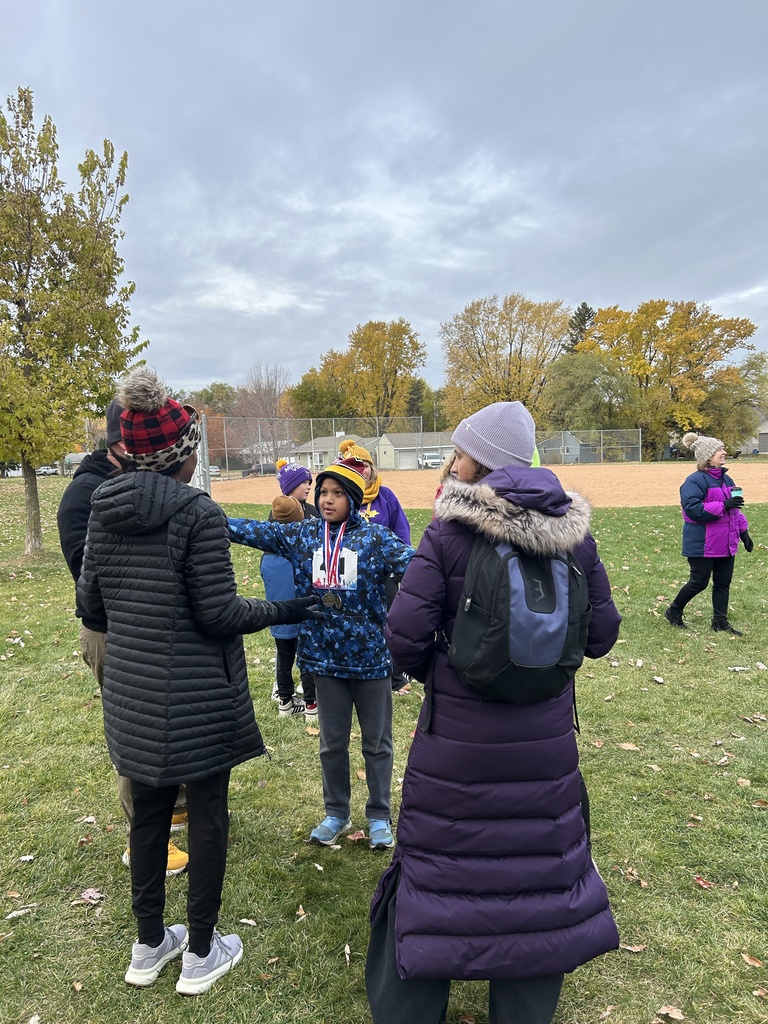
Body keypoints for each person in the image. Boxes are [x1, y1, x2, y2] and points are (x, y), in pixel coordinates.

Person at [366, 401, 622, 1024]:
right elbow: (603, 632)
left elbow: (403, 631)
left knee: (437, 869)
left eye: (458, 453)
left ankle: (411, 1005)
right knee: (539, 870)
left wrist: (445, 674)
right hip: (546, 743)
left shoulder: (450, 531)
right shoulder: (575, 535)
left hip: (456, 740)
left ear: (481, 460)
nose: (452, 464)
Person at [77, 366, 320, 995]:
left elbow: (93, 606)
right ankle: (201, 952)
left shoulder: (102, 510)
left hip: (131, 696)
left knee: (149, 815)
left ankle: (148, 944)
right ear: (182, 458)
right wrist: (289, 609)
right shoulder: (199, 515)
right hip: (200, 698)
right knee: (208, 813)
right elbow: (220, 615)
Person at [228, 454, 414, 851]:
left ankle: (379, 815)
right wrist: (210, 520)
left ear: (352, 496)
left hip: (370, 660)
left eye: (336, 493)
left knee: (377, 743)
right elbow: (254, 532)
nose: (326, 499)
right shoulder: (303, 535)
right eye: (323, 492)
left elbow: (415, 566)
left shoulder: (376, 539)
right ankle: (336, 812)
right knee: (332, 742)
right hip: (323, 660)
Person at [57, 400, 188, 876]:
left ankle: (172, 809)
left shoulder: (143, 482)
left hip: (152, 629)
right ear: (119, 444)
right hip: (111, 633)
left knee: (170, 721)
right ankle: (143, 843)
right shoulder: (86, 493)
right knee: (137, 735)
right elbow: (87, 572)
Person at [338, 438, 412, 694]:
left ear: (372, 466)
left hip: (385, 574)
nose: (361, 470)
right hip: (352, 574)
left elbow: (401, 529)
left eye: (364, 465)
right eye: (353, 466)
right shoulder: (343, 495)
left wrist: (398, 563)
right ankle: (352, 669)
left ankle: (394, 675)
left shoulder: (386, 495)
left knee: (390, 622)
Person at [664, 431, 752, 635]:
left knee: (723, 583)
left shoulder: (727, 479)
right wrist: (723, 505)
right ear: (707, 456)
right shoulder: (694, 481)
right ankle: (674, 610)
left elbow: (735, 510)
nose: (724, 452)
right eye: (719, 450)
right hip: (703, 543)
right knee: (699, 582)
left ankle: (720, 622)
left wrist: (744, 532)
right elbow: (693, 510)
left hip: (726, 542)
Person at [261, 495, 318, 721]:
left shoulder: (267, 556)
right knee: (306, 660)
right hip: (302, 616)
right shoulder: (302, 553)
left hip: (277, 618)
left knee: (283, 660)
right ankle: (312, 706)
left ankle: (285, 702)